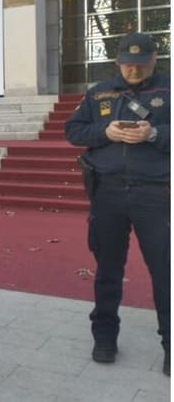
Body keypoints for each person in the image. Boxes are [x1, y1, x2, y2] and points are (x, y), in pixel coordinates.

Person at [65, 32, 170, 375]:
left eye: (140, 65)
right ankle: (105, 336)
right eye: (127, 65)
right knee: (108, 270)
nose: (134, 71)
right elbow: (73, 131)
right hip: (107, 193)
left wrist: (153, 134)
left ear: (154, 59)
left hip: (156, 194)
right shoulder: (99, 93)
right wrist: (104, 133)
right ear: (118, 62)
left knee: (165, 273)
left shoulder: (168, 89)